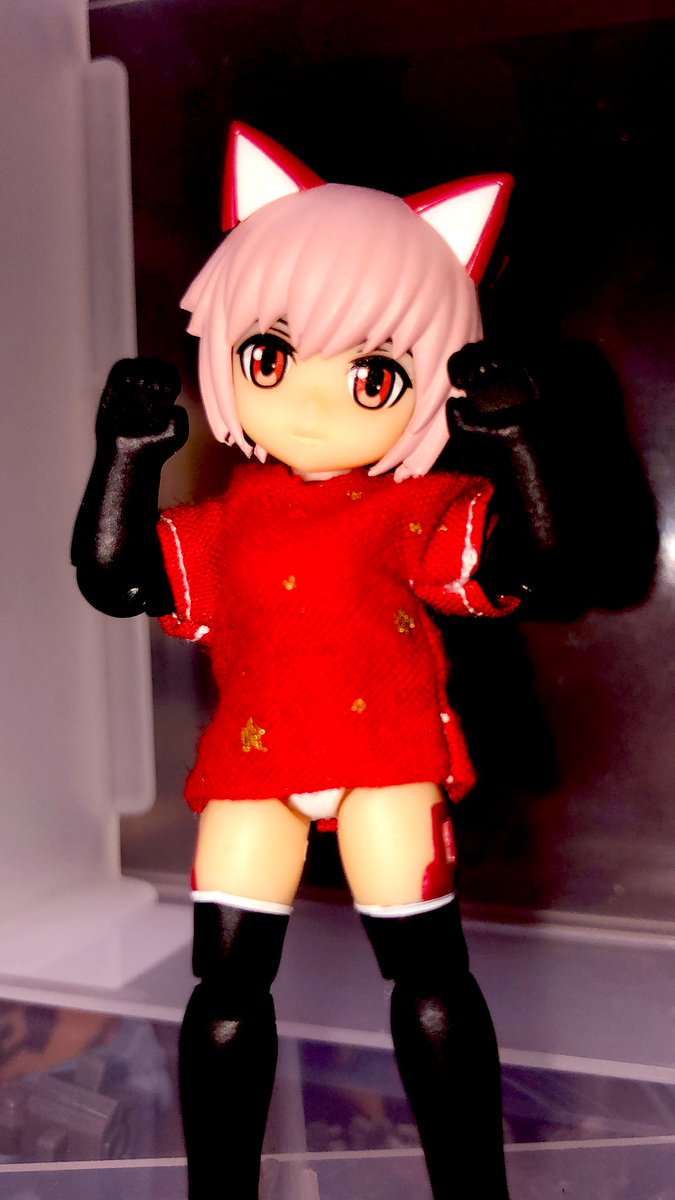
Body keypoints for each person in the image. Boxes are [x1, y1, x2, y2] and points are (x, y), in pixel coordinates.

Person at [73, 122, 537, 1199]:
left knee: (428, 972)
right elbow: (119, 580)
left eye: (373, 374)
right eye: (272, 360)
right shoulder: (227, 522)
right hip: (256, 763)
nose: (313, 402)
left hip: (385, 758)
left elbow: (525, 568)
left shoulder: (412, 509)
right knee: (226, 985)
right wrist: (122, 460)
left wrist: (519, 445)